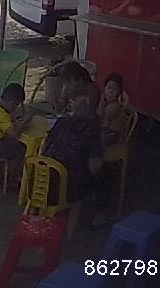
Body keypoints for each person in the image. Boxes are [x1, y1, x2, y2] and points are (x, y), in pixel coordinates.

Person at [42, 96, 107, 227]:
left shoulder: (61, 122)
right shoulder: (92, 132)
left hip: (43, 179)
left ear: (73, 110)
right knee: (103, 175)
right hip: (69, 188)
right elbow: (94, 167)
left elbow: (44, 147)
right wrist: (101, 146)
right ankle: (96, 216)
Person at [99, 73, 130, 147]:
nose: (110, 92)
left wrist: (101, 103)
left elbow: (101, 116)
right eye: (108, 88)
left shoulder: (115, 105)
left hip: (112, 134)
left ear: (118, 92)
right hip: (104, 130)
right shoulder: (106, 102)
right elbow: (99, 114)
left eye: (114, 89)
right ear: (104, 88)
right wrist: (102, 101)